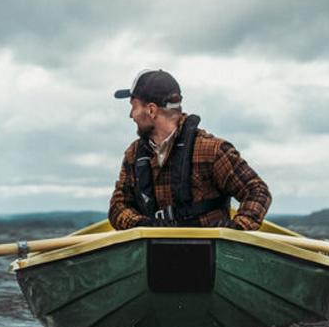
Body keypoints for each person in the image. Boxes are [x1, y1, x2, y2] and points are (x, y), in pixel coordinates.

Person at [107, 69, 271, 230]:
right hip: (155, 253)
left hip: (206, 254)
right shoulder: (133, 154)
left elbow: (257, 191)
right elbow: (118, 207)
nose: (131, 115)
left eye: (133, 107)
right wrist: (142, 224)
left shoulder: (212, 150)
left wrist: (237, 228)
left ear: (151, 110)